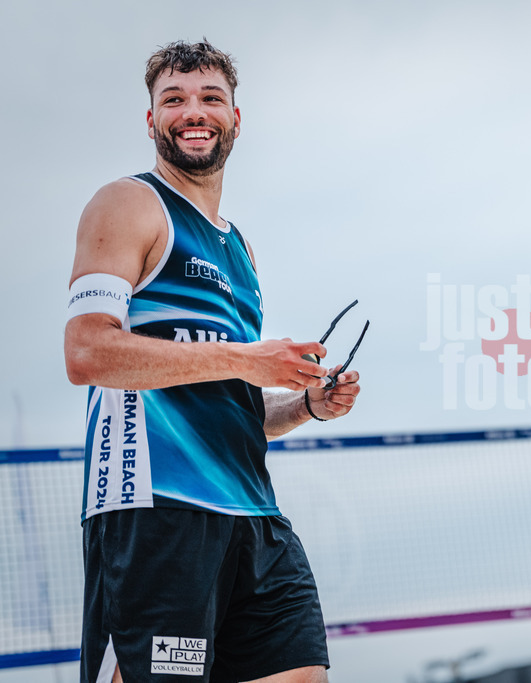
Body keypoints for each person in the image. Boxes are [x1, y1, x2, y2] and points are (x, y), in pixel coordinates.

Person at [64, 40, 360, 683]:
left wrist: (303, 404)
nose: (193, 111)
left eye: (210, 98)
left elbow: (227, 405)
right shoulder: (129, 204)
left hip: (253, 516)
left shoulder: (240, 249)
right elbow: (86, 352)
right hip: (156, 507)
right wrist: (245, 358)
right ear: (152, 119)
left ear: (235, 117)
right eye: (174, 99)